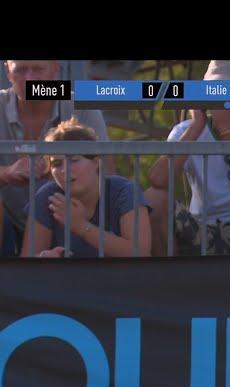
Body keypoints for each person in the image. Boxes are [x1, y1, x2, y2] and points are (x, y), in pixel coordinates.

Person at [145, 60, 230, 256]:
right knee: (154, 198)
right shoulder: (185, 130)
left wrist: (227, 130)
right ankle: (167, 280)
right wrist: (196, 127)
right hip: (199, 228)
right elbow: (158, 180)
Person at [0, 60, 112, 255]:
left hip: (66, 222)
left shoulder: (82, 107)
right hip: (6, 222)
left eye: (38, 69)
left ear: (55, 68)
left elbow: (106, 172)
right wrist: (6, 173)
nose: (30, 79)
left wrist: (57, 171)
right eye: (21, 70)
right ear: (7, 71)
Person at [20, 118, 150, 258]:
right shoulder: (48, 197)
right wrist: (44, 257)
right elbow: (27, 263)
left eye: (74, 160)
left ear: (96, 162)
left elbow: (140, 253)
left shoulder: (124, 191)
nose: (64, 170)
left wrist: (81, 227)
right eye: (57, 164)